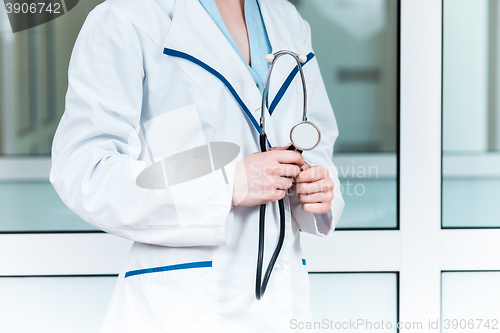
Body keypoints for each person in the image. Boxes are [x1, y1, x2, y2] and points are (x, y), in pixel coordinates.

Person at [50, 0, 345, 331]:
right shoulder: (126, 15)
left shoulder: (286, 18)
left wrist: (316, 189)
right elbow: (85, 171)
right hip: (182, 307)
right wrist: (228, 184)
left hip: (281, 304)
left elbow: (317, 145)